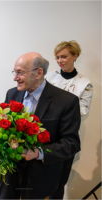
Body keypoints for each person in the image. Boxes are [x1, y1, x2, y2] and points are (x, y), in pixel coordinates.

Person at [0, 52, 81, 199]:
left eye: (20, 73)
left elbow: (71, 144)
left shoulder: (67, 101)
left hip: (41, 176)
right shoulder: (12, 94)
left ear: (38, 73)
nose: (15, 78)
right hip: (12, 171)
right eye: (15, 72)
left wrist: (38, 152)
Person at [45, 41, 94, 198]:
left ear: (75, 56)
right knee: (40, 179)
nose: (60, 60)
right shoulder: (49, 77)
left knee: (58, 183)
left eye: (64, 56)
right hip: (44, 134)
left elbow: (81, 111)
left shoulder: (85, 83)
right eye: (57, 57)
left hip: (65, 139)